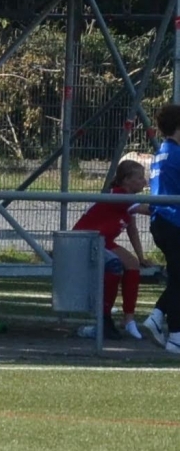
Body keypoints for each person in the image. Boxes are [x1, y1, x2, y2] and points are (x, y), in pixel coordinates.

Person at [71, 156, 149, 341]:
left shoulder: (128, 200)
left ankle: (128, 319)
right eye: (139, 177)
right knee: (114, 265)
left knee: (133, 264)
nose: (144, 182)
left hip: (102, 241)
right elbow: (148, 210)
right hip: (85, 241)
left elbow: (132, 230)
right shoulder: (120, 195)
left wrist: (141, 257)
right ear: (126, 180)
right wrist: (171, 203)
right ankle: (104, 318)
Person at [143, 104, 180, 354]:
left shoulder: (161, 153)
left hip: (161, 221)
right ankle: (173, 333)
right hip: (174, 221)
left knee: (178, 278)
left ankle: (161, 320)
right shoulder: (176, 154)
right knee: (178, 280)